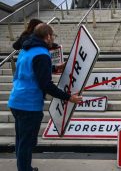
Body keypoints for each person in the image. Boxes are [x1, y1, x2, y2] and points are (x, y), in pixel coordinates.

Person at [8, 23, 83, 171]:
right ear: (47, 36)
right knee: (27, 142)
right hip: (29, 104)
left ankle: (24, 167)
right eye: (52, 36)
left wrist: (54, 68)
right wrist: (69, 98)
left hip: (16, 100)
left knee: (21, 140)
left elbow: (31, 70)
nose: (53, 39)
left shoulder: (26, 48)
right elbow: (46, 85)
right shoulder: (42, 53)